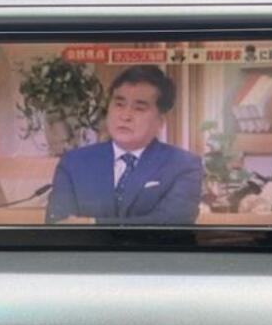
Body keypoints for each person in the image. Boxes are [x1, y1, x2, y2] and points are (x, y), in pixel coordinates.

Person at [46, 65, 202, 225]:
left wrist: (93, 223)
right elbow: (59, 225)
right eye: (119, 104)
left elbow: (172, 223)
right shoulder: (74, 162)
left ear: (160, 121)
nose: (125, 116)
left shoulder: (183, 165)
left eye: (139, 108)